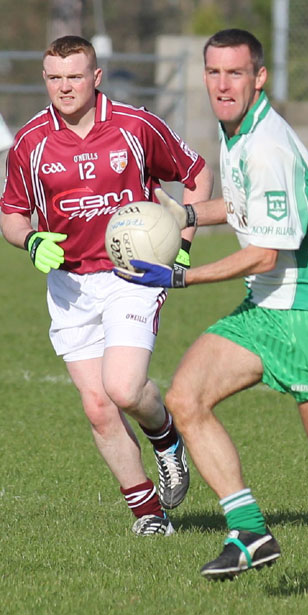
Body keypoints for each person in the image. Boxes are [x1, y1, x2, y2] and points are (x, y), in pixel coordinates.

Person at [114, 27, 308, 592]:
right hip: (265, 308)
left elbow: (264, 254)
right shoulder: (237, 134)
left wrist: (180, 275)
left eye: (235, 72)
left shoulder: (270, 147)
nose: (222, 84)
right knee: (185, 399)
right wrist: (185, 216)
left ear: (259, 77)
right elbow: (242, 208)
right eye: (213, 72)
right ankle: (249, 530)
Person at [0, 35, 213, 536]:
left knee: (122, 388)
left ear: (96, 77)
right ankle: (148, 515)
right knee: (98, 407)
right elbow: (10, 212)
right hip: (70, 285)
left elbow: (196, 176)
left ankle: (165, 438)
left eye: (74, 76)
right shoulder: (31, 141)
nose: (64, 87)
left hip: (131, 275)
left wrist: (180, 245)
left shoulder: (136, 126)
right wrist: (30, 241)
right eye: (54, 77)